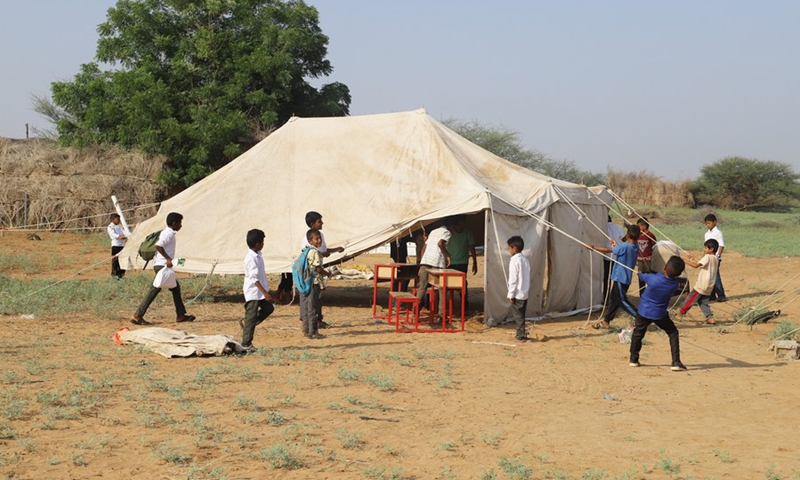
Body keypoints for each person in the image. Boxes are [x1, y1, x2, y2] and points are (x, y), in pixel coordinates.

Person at [131, 212, 196, 325]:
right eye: (180, 223)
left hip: (161, 265)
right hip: (162, 265)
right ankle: (137, 315)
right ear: (174, 223)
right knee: (155, 290)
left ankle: (180, 315)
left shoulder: (168, 232)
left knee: (174, 288)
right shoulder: (168, 234)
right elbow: (158, 246)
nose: (181, 225)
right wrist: (168, 259)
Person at [629, 255, 688, 371]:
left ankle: (633, 359)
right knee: (673, 332)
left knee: (638, 334)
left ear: (665, 267)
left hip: (644, 311)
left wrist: (640, 273)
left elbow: (642, 276)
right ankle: (675, 361)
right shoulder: (674, 284)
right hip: (659, 314)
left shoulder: (654, 278)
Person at [588, 224, 640, 329]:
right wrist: (616, 245)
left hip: (621, 277)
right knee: (614, 299)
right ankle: (606, 321)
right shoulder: (635, 246)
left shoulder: (625, 246)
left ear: (628, 235)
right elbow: (621, 250)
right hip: (624, 277)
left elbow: (608, 250)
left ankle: (640, 317)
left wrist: (593, 247)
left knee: (621, 300)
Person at [301, 211, 345, 328]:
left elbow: (324, 251)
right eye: (319, 221)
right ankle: (312, 325)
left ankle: (314, 323)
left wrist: (336, 249)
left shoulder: (319, 236)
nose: (322, 223)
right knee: (312, 301)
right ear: (312, 224)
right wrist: (328, 274)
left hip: (317, 274)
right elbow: (315, 260)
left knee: (316, 299)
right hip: (312, 275)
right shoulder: (308, 241)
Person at [415, 216, 457, 322]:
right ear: (452, 226)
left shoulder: (434, 231)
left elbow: (424, 247)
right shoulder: (447, 232)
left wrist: (422, 260)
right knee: (442, 289)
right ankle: (441, 315)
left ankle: (415, 313)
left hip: (425, 261)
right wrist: (448, 256)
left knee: (422, 287)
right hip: (436, 262)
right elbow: (440, 244)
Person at [241, 229, 275, 350]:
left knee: (268, 308)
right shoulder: (251, 259)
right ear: (257, 243)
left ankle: (247, 323)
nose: (263, 244)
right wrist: (265, 293)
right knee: (251, 316)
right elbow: (254, 278)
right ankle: (246, 343)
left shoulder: (258, 255)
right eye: (262, 242)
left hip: (259, 292)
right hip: (253, 292)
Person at [678, 239, 719, 325]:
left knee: (690, 299)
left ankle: (680, 313)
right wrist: (693, 258)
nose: (704, 250)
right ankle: (710, 318)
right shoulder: (716, 258)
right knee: (702, 302)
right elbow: (702, 262)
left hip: (702, 285)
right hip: (709, 286)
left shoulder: (707, 257)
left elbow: (696, 265)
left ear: (711, 249)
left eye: (706, 248)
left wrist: (685, 260)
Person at [299, 228, 330, 339]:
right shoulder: (314, 252)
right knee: (313, 307)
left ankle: (306, 329)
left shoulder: (306, 250)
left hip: (307, 282)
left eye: (320, 238)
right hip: (314, 282)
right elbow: (318, 269)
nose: (319, 241)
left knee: (308, 307)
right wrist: (328, 274)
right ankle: (313, 332)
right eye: (316, 239)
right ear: (310, 241)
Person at [447, 215, 478, 309]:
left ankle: (464, 303)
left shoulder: (467, 232)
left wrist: (475, 262)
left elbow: (472, 247)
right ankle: (448, 304)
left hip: (463, 262)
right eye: (459, 224)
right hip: (450, 262)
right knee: (448, 283)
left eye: (462, 224)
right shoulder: (449, 233)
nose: (461, 226)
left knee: (463, 283)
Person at [506, 235, 531, 342]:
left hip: (517, 293)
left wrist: (510, 294)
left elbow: (513, 279)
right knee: (522, 315)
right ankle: (522, 333)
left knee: (518, 316)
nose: (509, 250)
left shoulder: (514, 261)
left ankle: (520, 336)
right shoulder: (525, 260)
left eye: (509, 248)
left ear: (514, 248)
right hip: (524, 292)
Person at [704, 214, 727, 302]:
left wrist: (717, 256)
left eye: (709, 223)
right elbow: (706, 247)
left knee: (715, 276)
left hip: (715, 257)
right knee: (710, 276)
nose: (708, 225)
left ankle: (721, 295)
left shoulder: (718, 232)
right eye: (706, 223)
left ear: (714, 222)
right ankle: (712, 295)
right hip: (708, 257)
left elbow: (721, 245)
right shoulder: (706, 234)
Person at [604, 216, 625, 297]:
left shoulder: (603, 227)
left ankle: (606, 296)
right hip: (616, 256)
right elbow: (623, 239)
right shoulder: (617, 227)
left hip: (606, 255)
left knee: (606, 278)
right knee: (614, 277)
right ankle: (613, 295)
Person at [636, 217, 657, 296]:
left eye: (639, 226)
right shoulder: (638, 235)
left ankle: (650, 294)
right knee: (641, 277)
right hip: (640, 260)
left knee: (649, 277)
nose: (638, 228)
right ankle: (641, 294)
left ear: (644, 226)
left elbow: (655, 246)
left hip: (648, 260)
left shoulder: (650, 235)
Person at [107, 213, 127, 279]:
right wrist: (119, 236)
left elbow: (125, 233)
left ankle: (121, 274)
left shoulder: (119, 227)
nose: (119, 220)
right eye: (117, 219)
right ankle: (115, 275)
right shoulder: (110, 227)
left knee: (123, 260)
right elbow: (112, 234)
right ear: (113, 219)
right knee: (115, 261)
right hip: (116, 246)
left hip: (122, 246)